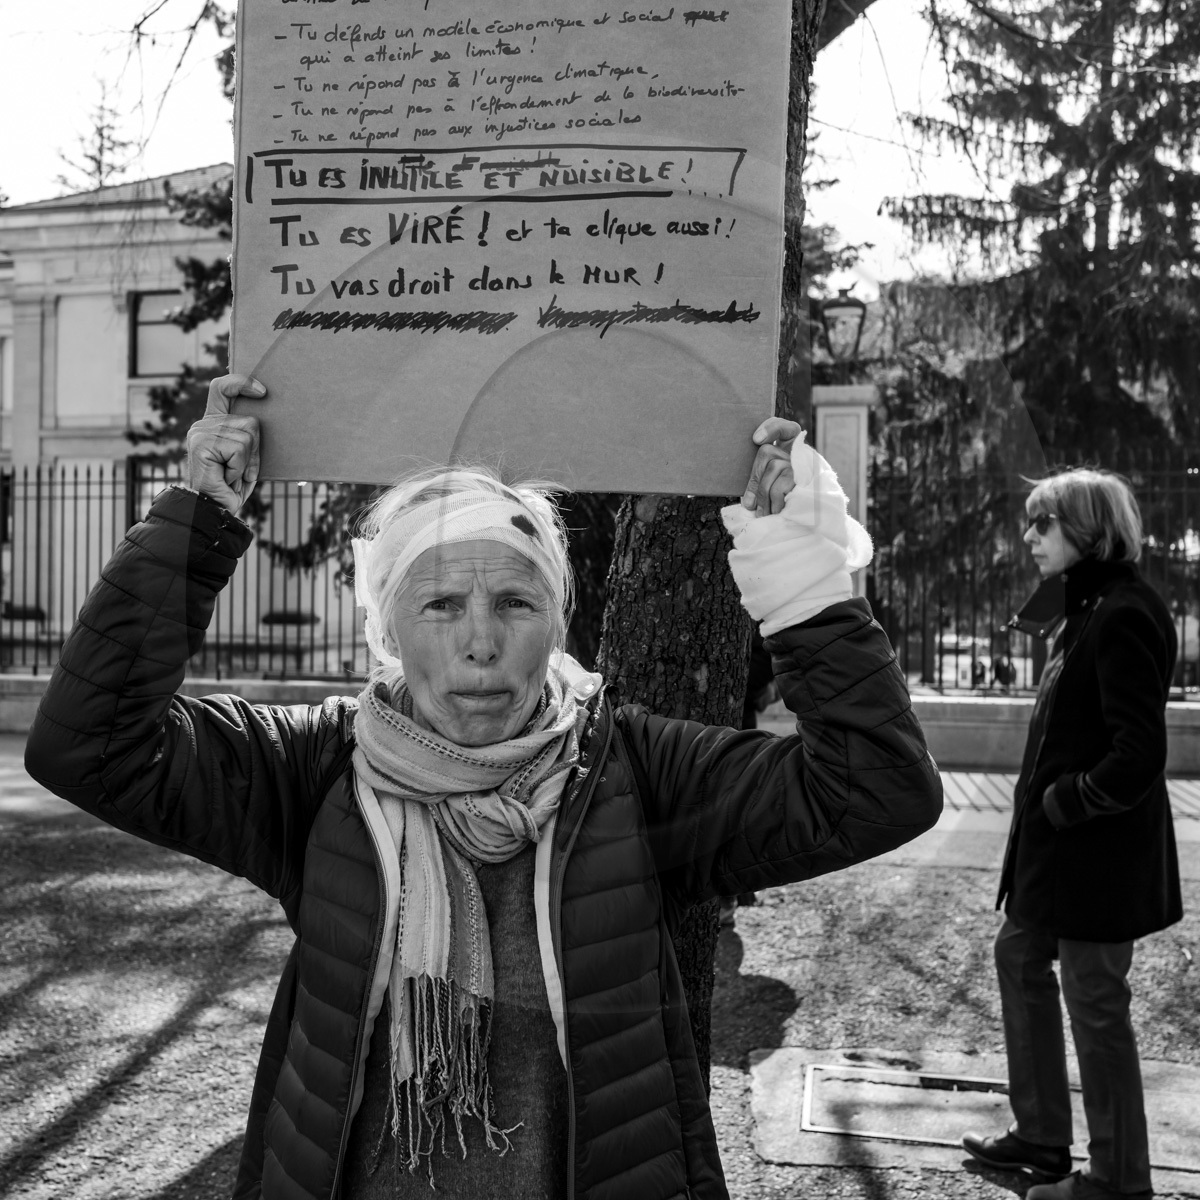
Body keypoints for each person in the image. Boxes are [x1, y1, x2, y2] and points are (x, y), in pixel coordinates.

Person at [25, 374, 943, 1200]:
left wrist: (797, 576)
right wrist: (197, 523)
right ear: (388, 631)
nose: (480, 643)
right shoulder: (315, 770)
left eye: (514, 603)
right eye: (440, 605)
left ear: (556, 621)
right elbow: (90, 744)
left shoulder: (630, 771)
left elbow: (875, 789)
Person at [962, 469, 1181, 1200]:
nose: (1028, 536)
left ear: (1087, 530)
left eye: (1043, 523)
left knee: (1095, 1001)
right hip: (1059, 856)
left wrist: (1065, 801)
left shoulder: (1122, 613)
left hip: (1097, 857)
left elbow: (1138, 754)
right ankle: (1041, 1134)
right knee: (1018, 954)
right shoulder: (1084, 605)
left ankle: (1117, 1181)